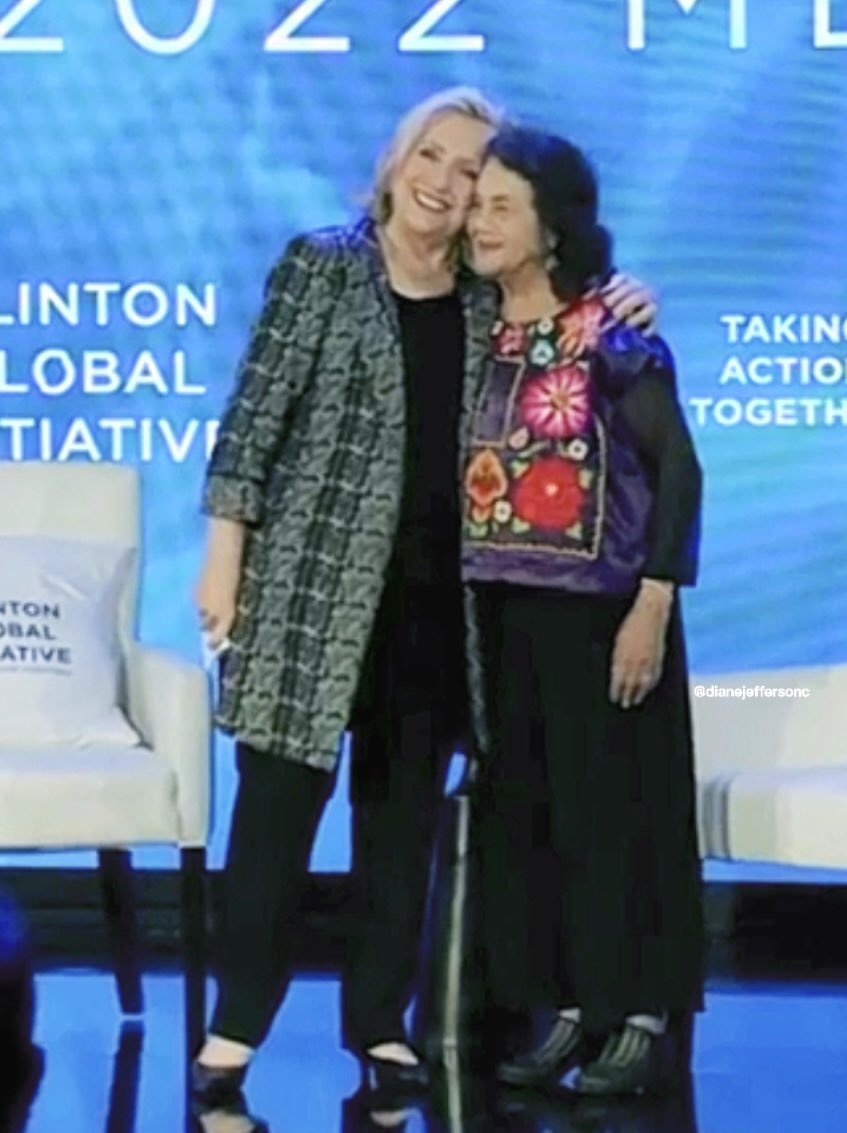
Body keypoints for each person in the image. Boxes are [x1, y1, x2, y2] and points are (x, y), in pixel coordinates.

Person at [191, 89, 657, 1107]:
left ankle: (376, 1026)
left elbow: (573, 304)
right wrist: (224, 554)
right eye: (431, 156)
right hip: (309, 595)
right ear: (398, 157)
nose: (444, 183)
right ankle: (233, 1031)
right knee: (271, 822)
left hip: (434, 613)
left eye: (470, 172)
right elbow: (251, 420)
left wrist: (624, 295)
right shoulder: (322, 265)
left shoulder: (491, 298)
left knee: (396, 834)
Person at [462, 126, 704, 1097]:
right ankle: (563, 1001)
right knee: (536, 815)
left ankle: (636, 1006)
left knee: (618, 815)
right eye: (476, 203)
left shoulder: (613, 330)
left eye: (499, 205)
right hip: (502, 614)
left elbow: (677, 471)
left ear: (552, 227)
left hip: (605, 615)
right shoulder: (476, 330)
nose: (478, 220)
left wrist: (652, 603)